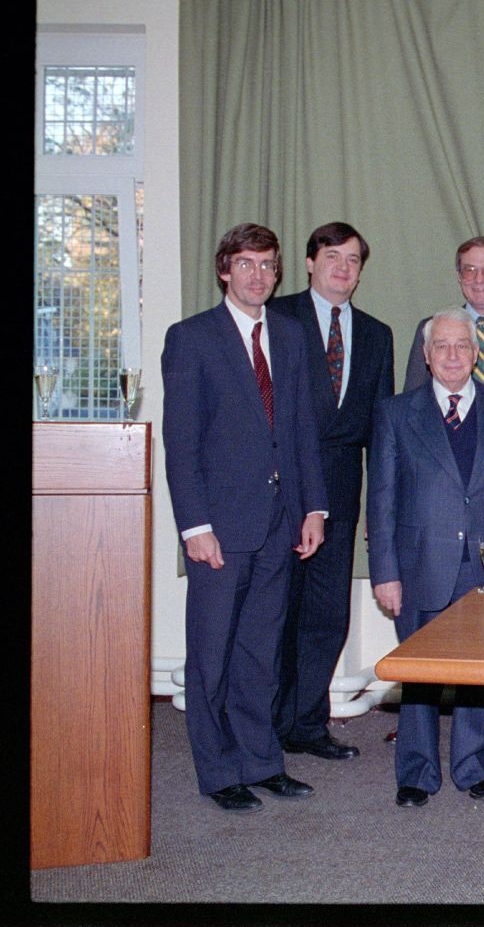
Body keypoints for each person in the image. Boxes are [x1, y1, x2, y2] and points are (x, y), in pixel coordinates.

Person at [161, 223, 327, 812]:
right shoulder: (191, 338)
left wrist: (315, 507)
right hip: (219, 530)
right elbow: (181, 445)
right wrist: (194, 527)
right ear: (224, 270)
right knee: (212, 654)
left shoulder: (287, 335)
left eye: (268, 265)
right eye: (247, 264)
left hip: (280, 523)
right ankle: (218, 771)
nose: (259, 275)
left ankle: (261, 760)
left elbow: (302, 428)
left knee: (260, 652)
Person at [266, 222, 394, 762]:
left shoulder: (375, 334)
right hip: (280, 489)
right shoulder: (275, 319)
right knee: (274, 613)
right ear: (310, 263)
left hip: (342, 490)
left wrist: (379, 512)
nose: (343, 268)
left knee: (326, 614)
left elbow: (382, 431)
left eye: (354, 260)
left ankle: (306, 723)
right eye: (333, 256)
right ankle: (263, 726)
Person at [369, 308, 484, 808]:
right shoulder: (395, 413)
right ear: (426, 357)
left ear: (476, 354)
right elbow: (381, 498)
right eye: (441, 347)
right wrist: (385, 572)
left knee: (479, 675)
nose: (452, 355)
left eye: (461, 346)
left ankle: (474, 768)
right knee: (420, 676)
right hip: (419, 562)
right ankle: (416, 772)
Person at [403, 237, 484, 392]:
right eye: (470, 271)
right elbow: (413, 398)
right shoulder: (432, 328)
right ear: (459, 277)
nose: (479, 279)